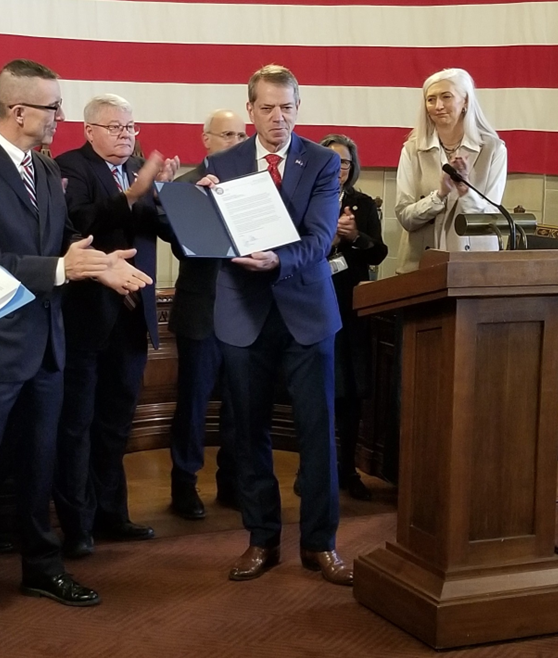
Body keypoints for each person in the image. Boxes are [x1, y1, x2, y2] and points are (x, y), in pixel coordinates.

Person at [0, 59, 153, 645]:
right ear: (19, 112)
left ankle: (41, 567)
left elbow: (59, 246)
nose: (62, 116)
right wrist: (63, 265)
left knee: (40, 466)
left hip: (48, 346)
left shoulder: (46, 167)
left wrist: (101, 266)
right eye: (54, 107)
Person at [199, 64, 352, 585]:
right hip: (243, 315)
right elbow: (198, 242)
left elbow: (320, 236)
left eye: (287, 107)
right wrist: (202, 210)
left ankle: (320, 544)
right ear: (250, 110)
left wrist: (277, 262)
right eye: (267, 108)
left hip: (307, 313)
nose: (278, 117)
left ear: (297, 108)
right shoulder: (221, 163)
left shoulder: (323, 162)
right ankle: (261, 539)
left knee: (317, 434)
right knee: (248, 434)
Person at [53, 94, 178, 558]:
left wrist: (167, 191)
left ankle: (112, 514)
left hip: (132, 319)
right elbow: (80, 221)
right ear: (89, 131)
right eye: (115, 127)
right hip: (86, 318)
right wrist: (130, 194)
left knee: (115, 424)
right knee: (77, 424)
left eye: (131, 127)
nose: (126, 135)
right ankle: (76, 524)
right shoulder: (70, 167)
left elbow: (166, 230)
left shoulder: (142, 170)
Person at [167, 109, 246, 519]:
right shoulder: (186, 187)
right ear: (207, 139)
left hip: (244, 314)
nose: (235, 141)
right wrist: (201, 202)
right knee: (193, 405)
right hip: (201, 311)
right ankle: (184, 486)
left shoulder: (257, 186)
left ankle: (231, 482)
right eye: (226, 134)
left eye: (240, 134)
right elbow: (182, 246)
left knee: (239, 405)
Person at [318, 134, 388, 500]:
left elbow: (378, 253)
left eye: (344, 163)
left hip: (352, 307)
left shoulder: (361, 204)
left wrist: (355, 236)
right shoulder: (307, 199)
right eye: (332, 162)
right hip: (315, 304)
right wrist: (329, 241)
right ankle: (313, 470)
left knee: (350, 393)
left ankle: (347, 468)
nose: (339, 169)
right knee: (320, 391)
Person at [395, 67, 507, 273]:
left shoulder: (493, 149)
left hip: (474, 270)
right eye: (431, 99)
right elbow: (405, 217)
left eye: (446, 97)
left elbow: (493, 221)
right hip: (420, 269)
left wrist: (466, 193)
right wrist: (439, 195)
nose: (438, 106)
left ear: (465, 101)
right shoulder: (412, 150)